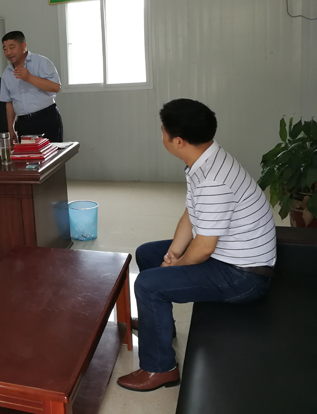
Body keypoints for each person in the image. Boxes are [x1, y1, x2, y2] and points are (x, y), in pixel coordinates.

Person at [117, 99, 276, 392]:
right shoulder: (205, 159)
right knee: (148, 254)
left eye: (163, 130)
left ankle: (159, 368)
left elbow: (203, 248)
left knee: (148, 285)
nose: (161, 134)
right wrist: (174, 254)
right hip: (229, 254)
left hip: (245, 276)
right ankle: (161, 326)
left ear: (178, 141)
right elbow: (191, 214)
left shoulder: (214, 180)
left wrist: (178, 265)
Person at [0, 31, 63, 143]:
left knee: (52, 153)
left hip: (46, 118)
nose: (8, 52)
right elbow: (9, 103)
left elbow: (56, 87)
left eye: (12, 47)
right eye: (5, 49)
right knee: (27, 154)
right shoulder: (6, 73)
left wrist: (29, 78)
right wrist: (11, 128)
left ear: (23, 46)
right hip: (23, 123)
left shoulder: (41, 62)